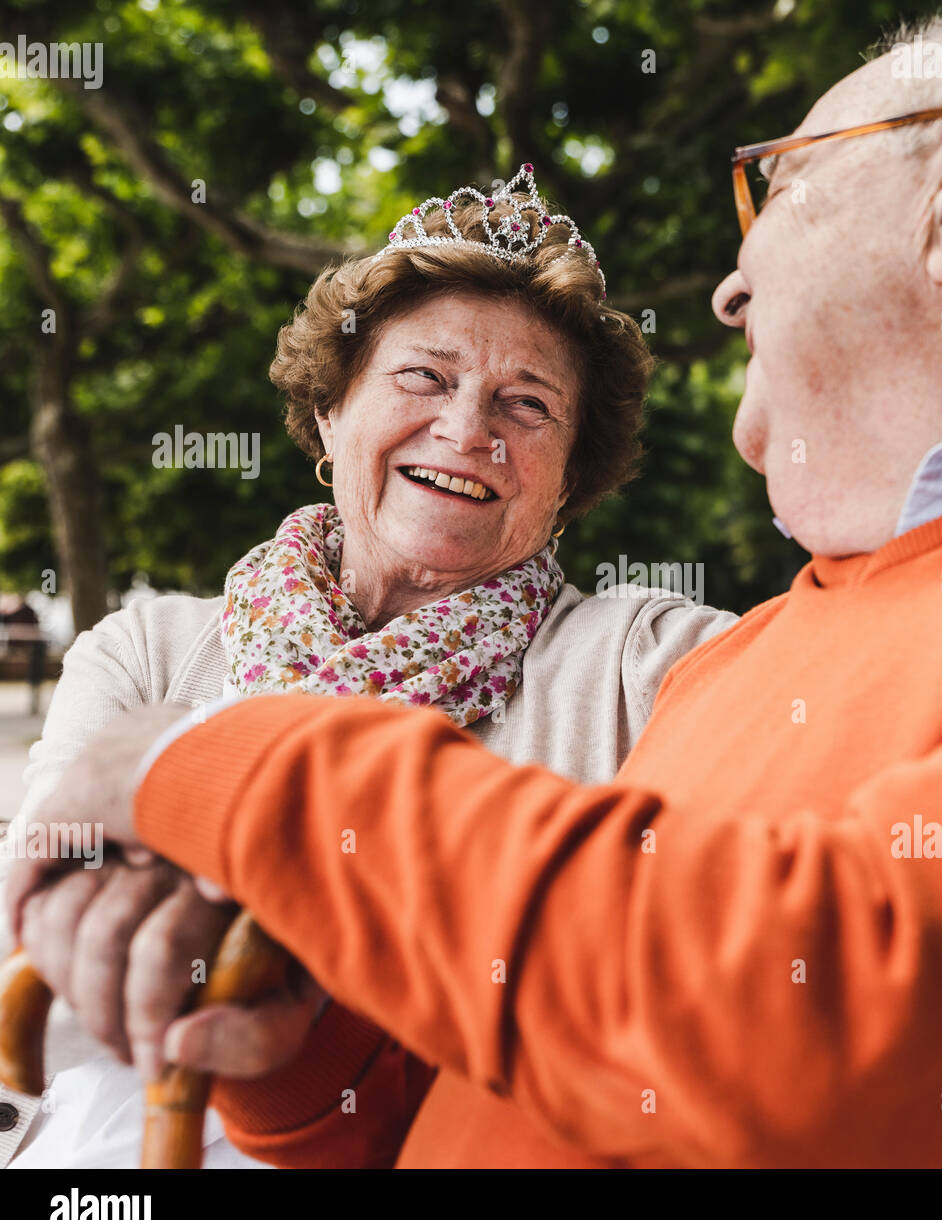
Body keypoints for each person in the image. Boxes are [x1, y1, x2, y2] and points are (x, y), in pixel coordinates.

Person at [8, 10, 942, 1170]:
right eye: (421, 380)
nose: (732, 287)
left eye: (774, 189)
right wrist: (307, 1062)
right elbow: (571, 1066)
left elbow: (815, 1016)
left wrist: (224, 760)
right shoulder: (754, 651)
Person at [0, 165, 735, 1168]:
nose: (468, 428)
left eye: (527, 405)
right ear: (332, 414)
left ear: (569, 479)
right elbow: (43, 952)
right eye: (424, 378)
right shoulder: (150, 648)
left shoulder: (643, 659)